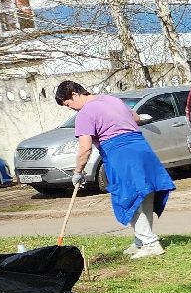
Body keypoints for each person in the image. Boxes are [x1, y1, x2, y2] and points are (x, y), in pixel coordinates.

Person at [55, 80, 174, 259]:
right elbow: (135, 117)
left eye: (68, 104)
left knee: (129, 197)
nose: (69, 108)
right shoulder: (112, 100)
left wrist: (78, 172)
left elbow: (85, 148)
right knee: (144, 193)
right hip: (142, 149)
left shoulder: (85, 113)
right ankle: (141, 241)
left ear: (74, 94)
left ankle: (150, 243)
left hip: (121, 154)